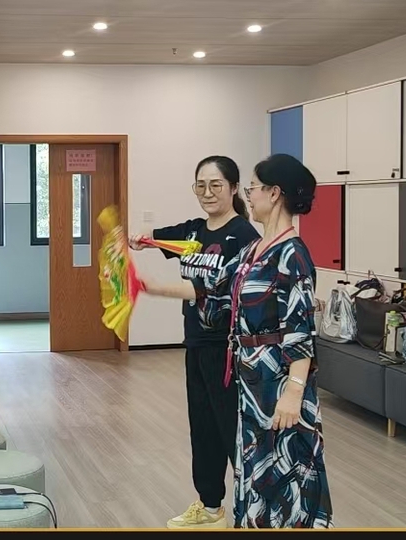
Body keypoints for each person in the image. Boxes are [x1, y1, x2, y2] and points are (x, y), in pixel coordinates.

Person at [142, 153, 333, 529]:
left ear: (274, 193)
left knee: (285, 469)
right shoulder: (253, 250)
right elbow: (211, 289)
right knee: (255, 468)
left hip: (277, 380)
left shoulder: (292, 254)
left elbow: (300, 330)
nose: (250, 195)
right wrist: (149, 287)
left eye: (253, 188)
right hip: (249, 377)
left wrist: (294, 391)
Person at [129, 155, 259, 529]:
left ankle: (254, 510)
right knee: (203, 428)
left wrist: (151, 286)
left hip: (229, 350)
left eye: (216, 185)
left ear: (234, 188)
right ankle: (210, 506)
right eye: (201, 185)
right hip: (197, 343)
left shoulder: (244, 237)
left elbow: (212, 289)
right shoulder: (193, 232)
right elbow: (157, 238)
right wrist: (142, 240)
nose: (207, 192)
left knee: (233, 431)